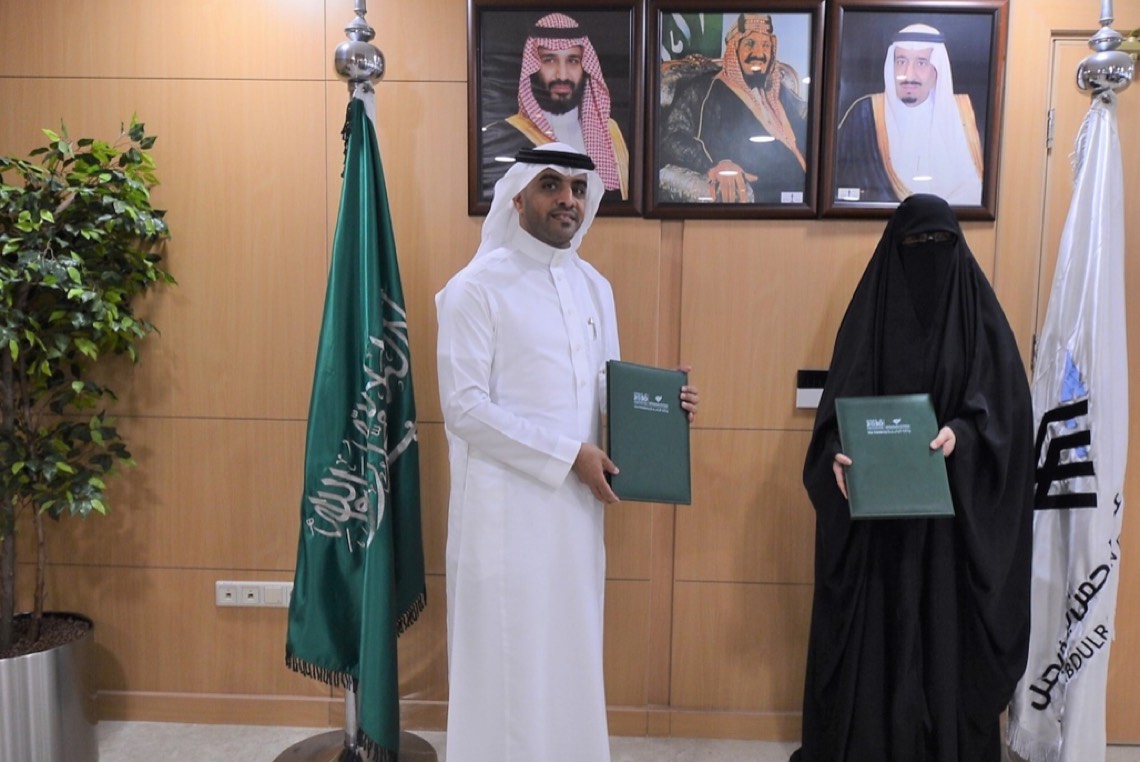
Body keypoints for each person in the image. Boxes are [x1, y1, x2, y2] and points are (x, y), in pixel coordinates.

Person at [436, 143, 698, 762]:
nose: (568, 201)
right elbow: (464, 409)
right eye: (551, 185)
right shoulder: (474, 289)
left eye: (578, 188)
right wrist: (566, 455)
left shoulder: (594, 288)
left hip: (576, 515)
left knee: (569, 655)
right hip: (505, 519)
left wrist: (662, 406)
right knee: (508, 664)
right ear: (518, 197)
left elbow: (604, 391)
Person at [793, 194, 1034, 761]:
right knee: (879, 640)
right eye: (915, 244)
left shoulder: (978, 319)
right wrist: (837, 456)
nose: (928, 255)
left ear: (957, 248)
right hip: (878, 533)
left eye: (940, 243)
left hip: (952, 531)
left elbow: (1007, 417)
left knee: (944, 641)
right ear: (893, 249)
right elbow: (834, 421)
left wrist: (963, 435)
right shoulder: (869, 318)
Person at [659, 13, 808, 204]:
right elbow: (671, 138)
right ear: (734, 48)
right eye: (750, 44)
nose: (759, 53)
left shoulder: (778, 91)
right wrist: (717, 166)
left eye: (765, 45)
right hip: (759, 196)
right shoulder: (704, 89)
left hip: (805, 198)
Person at [480, 12, 630, 201]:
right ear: (533, 67)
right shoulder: (503, 134)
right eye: (549, 60)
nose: (562, 75)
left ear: (585, 67)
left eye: (573, 61)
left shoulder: (613, 134)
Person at [834, 23, 984, 205]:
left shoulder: (966, 115)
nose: (908, 75)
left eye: (921, 63)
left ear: (937, 69)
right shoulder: (864, 115)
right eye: (901, 62)